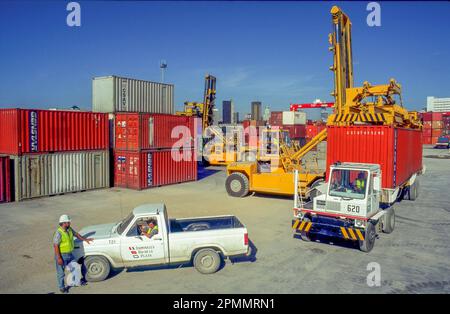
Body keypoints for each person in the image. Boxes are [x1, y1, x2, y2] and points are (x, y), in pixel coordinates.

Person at [53, 214, 93, 293]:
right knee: (61, 273)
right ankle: (62, 288)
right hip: (62, 256)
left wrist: (85, 239)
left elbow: (76, 234)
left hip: (70, 255)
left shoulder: (69, 229)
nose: (69, 223)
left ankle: (75, 282)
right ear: (64, 223)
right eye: (68, 222)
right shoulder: (58, 233)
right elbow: (55, 246)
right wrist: (59, 258)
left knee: (76, 267)